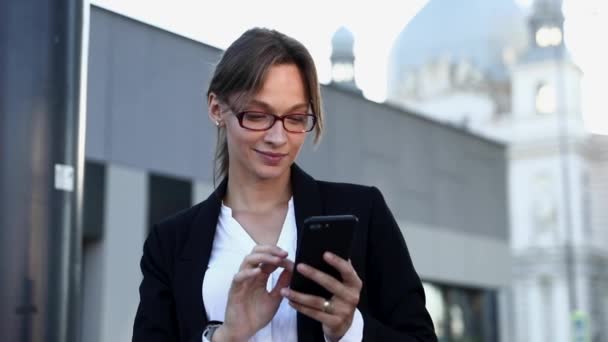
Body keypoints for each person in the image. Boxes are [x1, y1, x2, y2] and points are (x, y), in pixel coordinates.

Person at [132, 28, 437, 342]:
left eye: (295, 118)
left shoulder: (363, 213)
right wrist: (226, 336)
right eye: (257, 115)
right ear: (216, 109)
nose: (277, 138)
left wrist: (350, 329)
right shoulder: (170, 242)